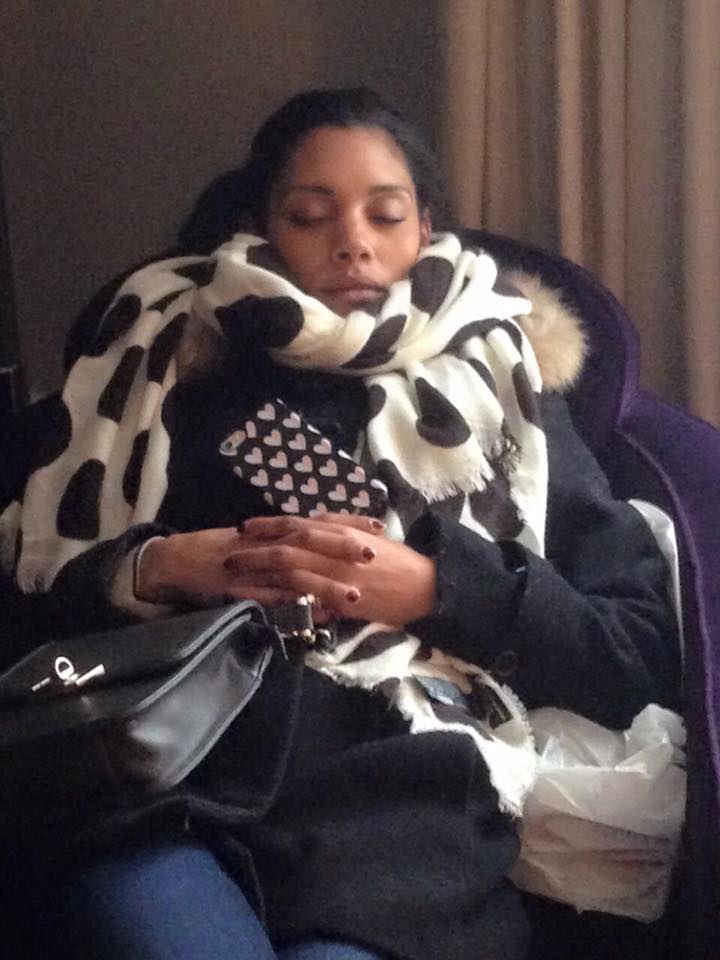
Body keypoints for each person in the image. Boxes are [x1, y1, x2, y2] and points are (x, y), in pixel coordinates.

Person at [0, 88, 680, 960]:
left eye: (384, 215)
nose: (353, 241)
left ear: (425, 228)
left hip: (399, 821)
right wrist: (152, 570)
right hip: (167, 785)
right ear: (261, 226)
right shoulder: (166, 368)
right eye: (310, 216)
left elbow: (636, 648)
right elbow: (27, 616)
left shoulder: (507, 390)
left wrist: (435, 588)